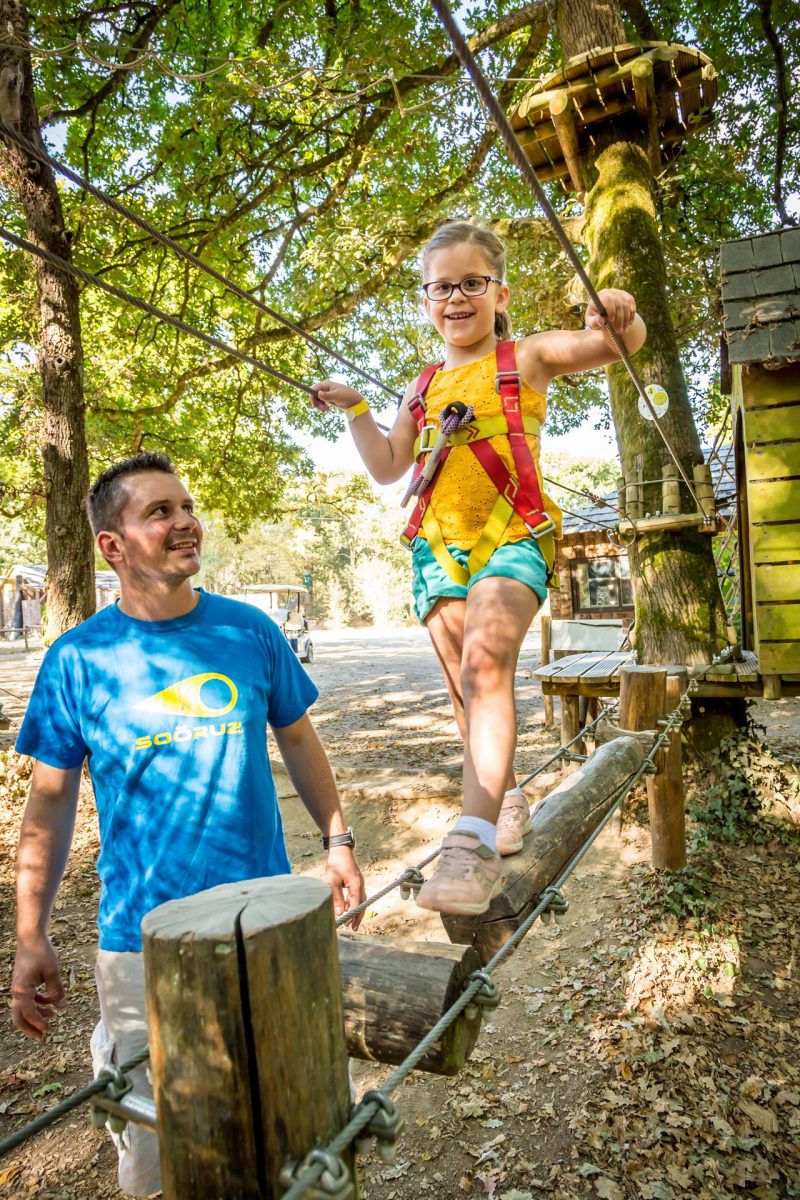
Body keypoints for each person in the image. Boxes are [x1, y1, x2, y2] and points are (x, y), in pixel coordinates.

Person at [11, 452, 365, 1198]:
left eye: (185, 506)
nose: (184, 523)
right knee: (158, 1153)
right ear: (112, 546)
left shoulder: (249, 630)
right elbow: (49, 802)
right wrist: (30, 935)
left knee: (290, 1123)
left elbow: (299, 740)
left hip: (268, 925)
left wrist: (337, 841)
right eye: (158, 512)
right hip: (143, 944)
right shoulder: (76, 660)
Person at [312, 220, 646, 917]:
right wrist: (360, 411)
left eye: (472, 283)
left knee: (485, 668)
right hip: (437, 544)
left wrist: (615, 306)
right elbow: (387, 466)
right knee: (466, 695)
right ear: (425, 299)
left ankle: (471, 840)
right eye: (442, 286)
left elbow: (614, 344)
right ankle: (506, 795)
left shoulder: (526, 356)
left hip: (510, 534)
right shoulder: (423, 382)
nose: (456, 297)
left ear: (499, 291)